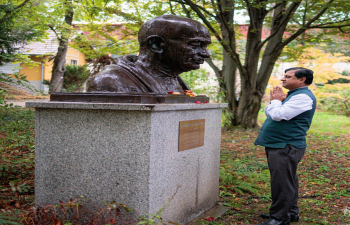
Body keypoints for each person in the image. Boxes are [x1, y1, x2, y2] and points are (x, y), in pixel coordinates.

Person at [254, 67, 316, 225]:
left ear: (302, 79)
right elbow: (270, 112)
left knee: (282, 183)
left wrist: (275, 102)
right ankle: (290, 212)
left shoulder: (302, 97)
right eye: (284, 76)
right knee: (288, 180)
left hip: (286, 145)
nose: (283, 79)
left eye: (288, 77)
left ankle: (279, 218)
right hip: (280, 144)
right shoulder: (293, 95)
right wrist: (276, 104)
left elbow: (278, 114)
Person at [87, 15, 211, 94]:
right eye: (195, 45)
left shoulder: (175, 80)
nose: (206, 54)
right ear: (156, 45)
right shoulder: (110, 82)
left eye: (205, 46)